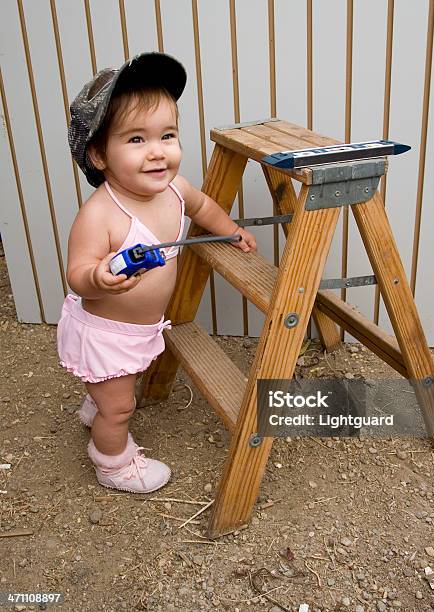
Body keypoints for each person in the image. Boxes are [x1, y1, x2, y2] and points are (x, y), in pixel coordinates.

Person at [57, 52, 256, 494]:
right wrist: (99, 278)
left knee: (115, 389)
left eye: (167, 135)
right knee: (121, 409)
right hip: (109, 331)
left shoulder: (176, 190)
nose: (157, 151)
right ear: (98, 155)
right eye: (135, 140)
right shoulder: (101, 214)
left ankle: (97, 401)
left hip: (141, 326)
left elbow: (203, 208)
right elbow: (78, 272)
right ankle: (111, 461)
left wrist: (231, 231)